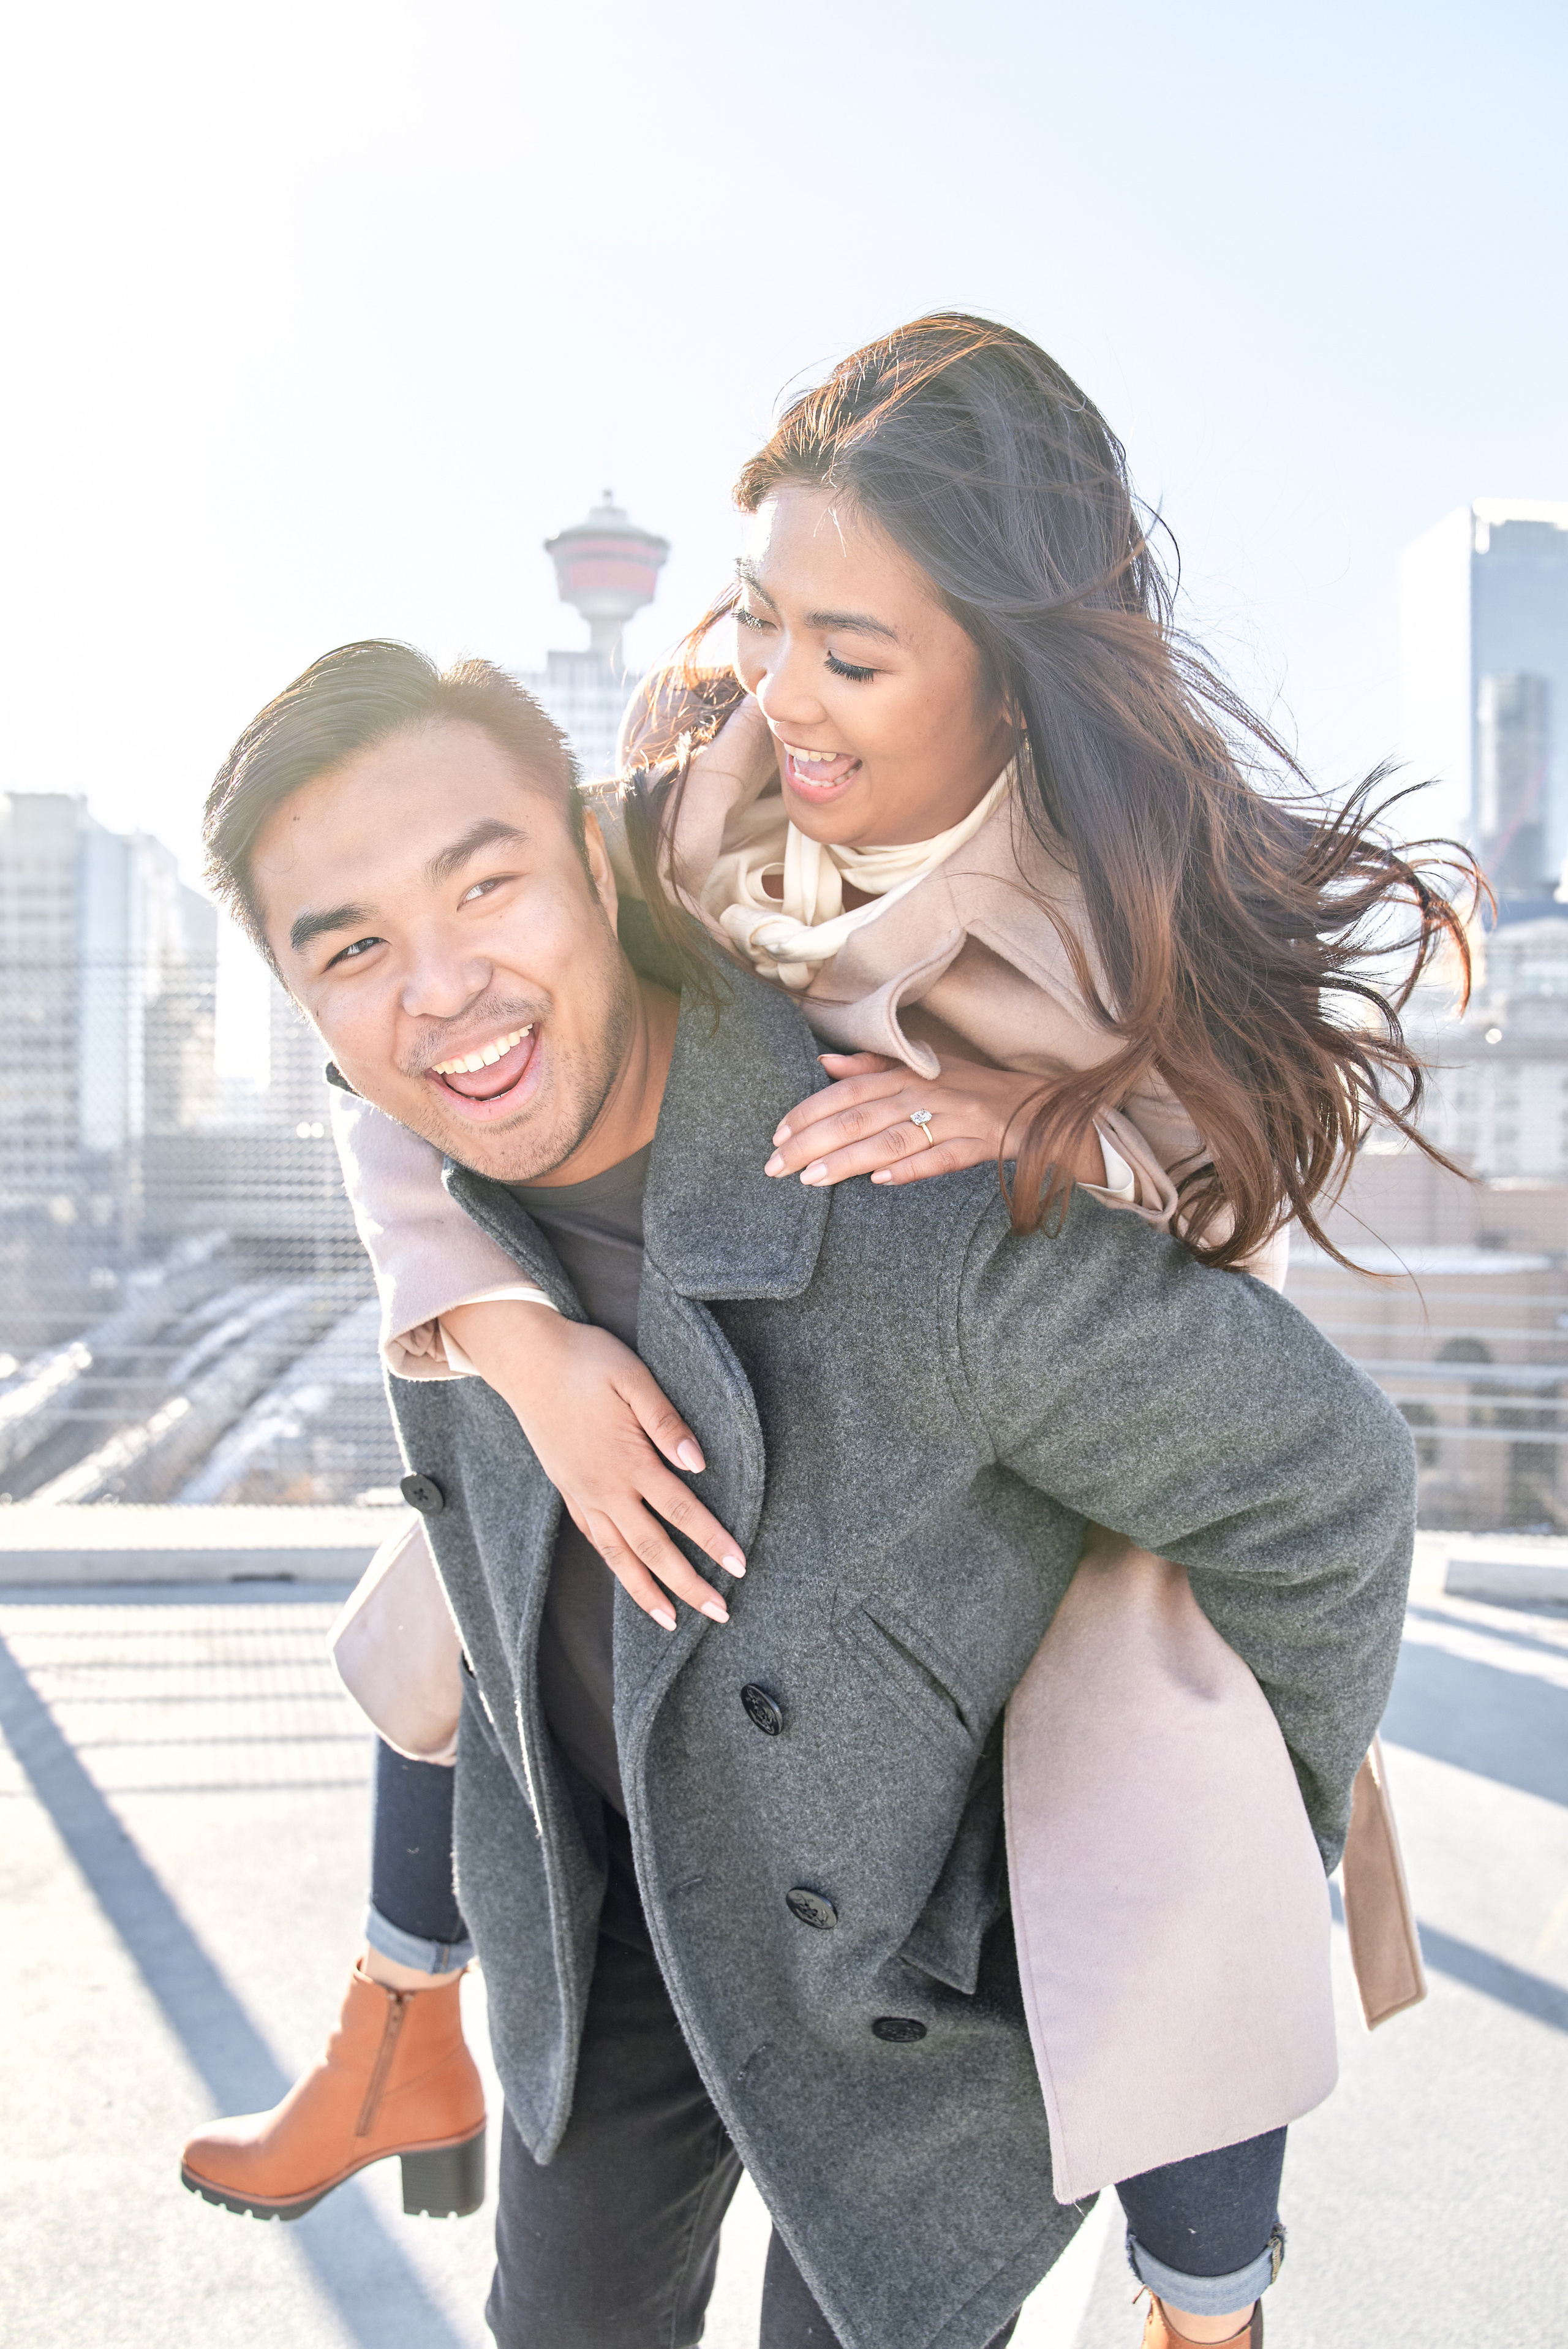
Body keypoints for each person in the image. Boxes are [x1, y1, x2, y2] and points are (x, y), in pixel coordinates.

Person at [187, 624, 1419, 2349]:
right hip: (606, 1909)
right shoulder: (441, 1178)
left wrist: (1214, 1868)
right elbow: (383, 1075)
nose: (443, 988)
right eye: (358, 948)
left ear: (593, 859)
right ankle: (398, 2020)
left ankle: (1210, 2294)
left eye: (484, 887)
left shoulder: (909, 1201)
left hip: (895, 1991)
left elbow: (1330, 1488)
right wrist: (520, 1343)